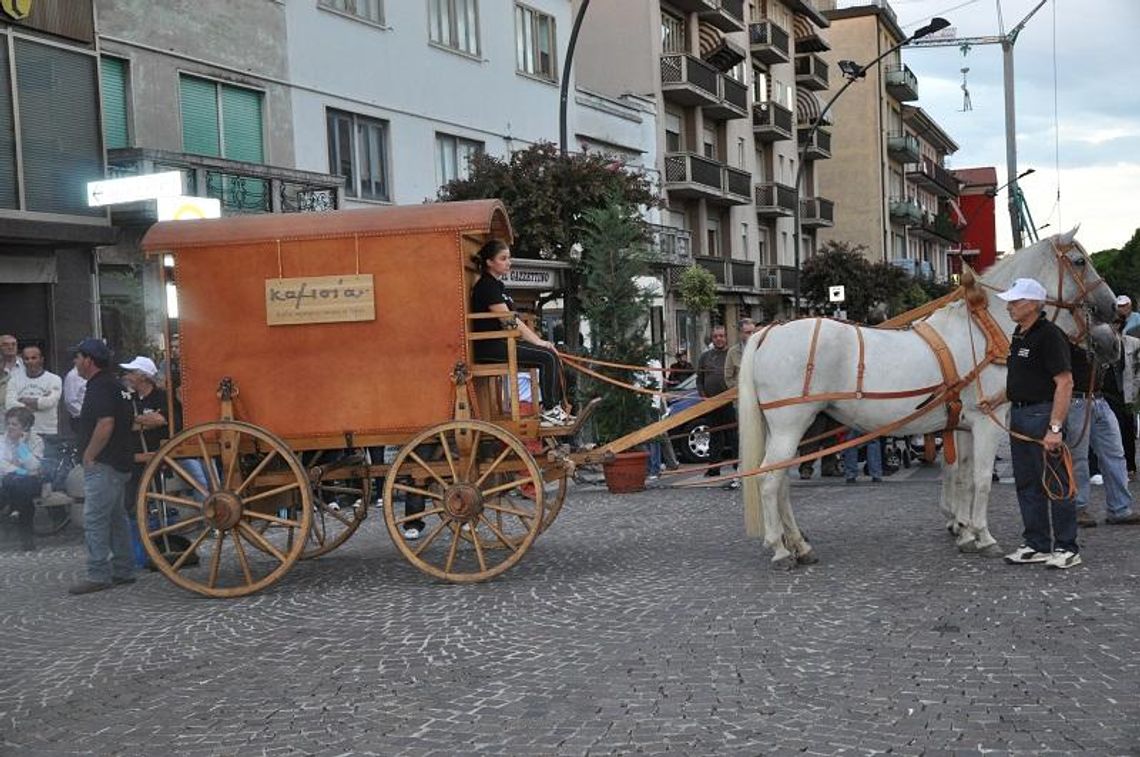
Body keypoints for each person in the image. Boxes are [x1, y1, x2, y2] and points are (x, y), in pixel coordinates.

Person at [996, 278, 1080, 569]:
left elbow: (1065, 382)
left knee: (1056, 483)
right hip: (1019, 415)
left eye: (1016, 302)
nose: (1009, 307)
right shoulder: (1019, 333)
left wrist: (1055, 428)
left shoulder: (1050, 335)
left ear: (1033, 304)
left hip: (1042, 415)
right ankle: (1037, 544)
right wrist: (995, 399)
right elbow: (1022, 378)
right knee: (1027, 484)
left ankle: (1068, 547)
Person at [470, 240, 571, 426]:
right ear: (489, 262)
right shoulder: (487, 286)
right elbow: (509, 320)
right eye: (503, 258)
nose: (509, 262)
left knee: (550, 354)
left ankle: (556, 408)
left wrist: (537, 342)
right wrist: (538, 342)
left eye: (509, 258)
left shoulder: (497, 286)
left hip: (501, 343)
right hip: (490, 347)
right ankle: (550, 410)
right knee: (547, 356)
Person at [68, 338, 136, 595]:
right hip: (120, 460)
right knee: (116, 517)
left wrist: (89, 454)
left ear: (89, 360)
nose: (75, 362)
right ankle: (124, 568)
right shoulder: (118, 385)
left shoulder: (99, 387)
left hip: (104, 462)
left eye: (77, 357)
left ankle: (98, 573)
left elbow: (105, 423)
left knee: (95, 518)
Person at [1066, 342, 1140, 527]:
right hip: (1076, 399)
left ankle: (1120, 508)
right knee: (1078, 458)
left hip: (1098, 398)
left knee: (1115, 453)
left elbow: (1112, 355)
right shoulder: (1064, 338)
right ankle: (1077, 508)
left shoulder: (1095, 334)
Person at [119, 356, 171, 513]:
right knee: (129, 498)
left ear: (143, 376)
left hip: (156, 454)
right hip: (134, 456)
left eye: (131, 373)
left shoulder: (161, 396)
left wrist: (136, 419)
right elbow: (125, 424)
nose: (127, 377)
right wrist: (144, 421)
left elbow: (161, 419)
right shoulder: (129, 398)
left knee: (156, 497)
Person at [722, 318, 758, 490]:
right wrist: (741, 390)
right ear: (741, 333)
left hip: (761, 400)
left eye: (753, 331)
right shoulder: (733, 352)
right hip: (742, 401)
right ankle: (742, 470)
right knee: (744, 437)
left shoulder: (761, 348)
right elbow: (728, 377)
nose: (751, 335)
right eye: (748, 332)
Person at [1, 406, 43, 551]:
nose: (10, 427)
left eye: (14, 424)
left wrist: (21, 445)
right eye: (9, 423)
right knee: (16, 486)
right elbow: (3, 466)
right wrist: (22, 471)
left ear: (25, 427)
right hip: (9, 483)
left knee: (22, 486)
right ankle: (27, 538)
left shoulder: (35, 440)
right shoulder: (2, 440)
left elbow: (34, 466)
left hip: (31, 484)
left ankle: (14, 510)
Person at [696, 324, 733, 479]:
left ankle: (738, 467)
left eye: (721, 336)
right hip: (711, 403)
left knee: (733, 435)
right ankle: (714, 467)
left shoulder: (732, 354)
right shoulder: (705, 357)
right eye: (716, 336)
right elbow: (699, 379)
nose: (719, 339)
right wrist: (703, 396)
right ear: (712, 338)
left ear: (726, 337)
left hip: (730, 402)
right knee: (714, 436)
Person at [6, 344, 62, 441]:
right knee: (22, 456)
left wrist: (22, 400)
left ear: (41, 359)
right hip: (21, 433)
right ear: (23, 361)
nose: (30, 361)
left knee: (47, 457)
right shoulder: (14, 380)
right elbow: (10, 404)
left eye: (34, 358)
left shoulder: (54, 379)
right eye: (27, 359)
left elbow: (49, 402)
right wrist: (38, 401)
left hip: (46, 432)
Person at [0, 333, 24, 411]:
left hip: (21, 412)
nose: (10, 347)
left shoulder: (26, 365)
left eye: (13, 344)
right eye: (5, 345)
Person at [62, 366, 87, 434]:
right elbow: (70, 401)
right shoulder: (73, 375)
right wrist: (87, 414)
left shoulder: (91, 373)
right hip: (82, 419)